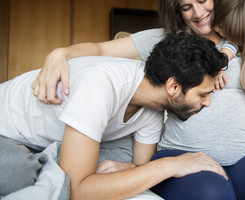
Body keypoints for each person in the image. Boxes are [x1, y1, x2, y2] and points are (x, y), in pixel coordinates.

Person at [31, 0, 245, 200]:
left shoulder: (241, 37)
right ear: (178, 13)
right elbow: (102, 49)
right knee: (211, 197)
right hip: (183, 152)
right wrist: (60, 53)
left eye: (203, 0)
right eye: (186, 7)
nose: (198, 12)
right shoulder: (164, 40)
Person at [0, 32, 229, 199]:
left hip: (53, 139)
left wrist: (135, 168)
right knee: (16, 174)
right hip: (7, 130)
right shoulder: (101, 85)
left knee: (116, 164)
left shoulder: (154, 107)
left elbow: (138, 166)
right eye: (203, 94)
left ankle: (61, 163)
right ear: (173, 87)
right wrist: (170, 165)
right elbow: (78, 190)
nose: (207, 102)